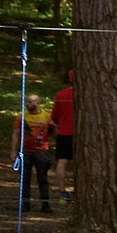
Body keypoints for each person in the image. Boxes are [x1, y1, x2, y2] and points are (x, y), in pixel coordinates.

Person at [18, 98, 58, 215]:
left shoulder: (46, 117)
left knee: (43, 178)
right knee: (25, 178)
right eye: (27, 102)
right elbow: (16, 134)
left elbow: (53, 133)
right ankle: (25, 204)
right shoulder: (21, 117)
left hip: (42, 152)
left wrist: (55, 130)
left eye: (31, 101)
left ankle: (45, 204)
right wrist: (14, 151)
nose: (28, 104)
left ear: (37, 103)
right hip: (26, 151)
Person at [52, 70, 77, 201]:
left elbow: (54, 117)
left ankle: (62, 192)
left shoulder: (61, 95)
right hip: (80, 135)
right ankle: (79, 191)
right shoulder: (89, 96)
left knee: (62, 162)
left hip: (63, 134)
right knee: (82, 163)